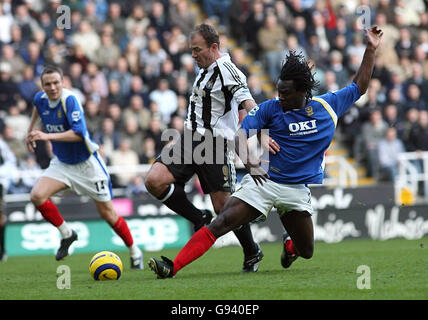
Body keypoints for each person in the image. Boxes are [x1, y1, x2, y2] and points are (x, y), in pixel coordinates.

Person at [148, 26, 383, 278]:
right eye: (278, 90)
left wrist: (370, 49)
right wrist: (251, 164)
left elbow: (359, 85)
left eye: (285, 92)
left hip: (296, 190)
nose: (279, 96)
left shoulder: (328, 106)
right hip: (264, 182)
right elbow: (239, 135)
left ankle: (289, 245)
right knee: (222, 221)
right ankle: (172, 267)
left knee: (307, 251)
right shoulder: (271, 108)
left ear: (303, 92)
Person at [144, 23, 279, 272]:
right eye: (191, 50)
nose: (193, 55)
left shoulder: (229, 70)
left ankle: (252, 250)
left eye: (197, 50)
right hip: (188, 139)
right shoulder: (206, 67)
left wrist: (261, 134)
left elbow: (248, 102)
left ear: (213, 47)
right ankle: (199, 218)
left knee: (224, 208)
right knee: (154, 181)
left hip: (215, 145)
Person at [25, 65, 143, 269]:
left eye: (56, 83)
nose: (52, 87)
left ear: (63, 82)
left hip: (87, 165)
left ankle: (134, 251)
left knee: (108, 214)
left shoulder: (69, 100)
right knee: (36, 195)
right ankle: (67, 234)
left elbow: (78, 133)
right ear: (42, 86)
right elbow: (36, 109)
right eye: (48, 84)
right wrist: (30, 131)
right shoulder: (40, 99)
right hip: (62, 164)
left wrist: (46, 136)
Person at [0, 137, 17, 262]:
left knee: (0, 217)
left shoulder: (1, 144)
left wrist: (3, 176)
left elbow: (11, 160)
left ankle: (3, 250)